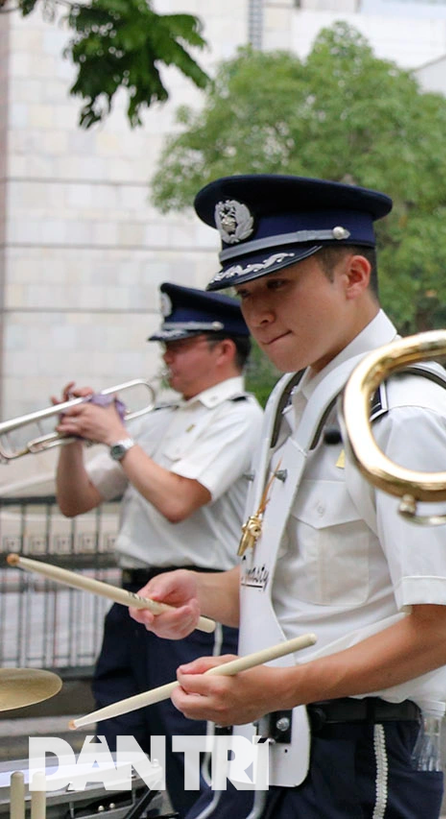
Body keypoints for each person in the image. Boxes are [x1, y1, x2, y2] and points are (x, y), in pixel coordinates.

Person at [134, 175, 446, 819]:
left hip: (362, 750)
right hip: (274, 742)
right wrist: (205, 591)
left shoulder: (406, 414)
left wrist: (279, 688)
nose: (259, 313)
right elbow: (301, 585)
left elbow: (445, 630)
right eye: (246, 293)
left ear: (353, 276)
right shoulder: (293, 396)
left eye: (279, 283)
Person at [54, 284, 265, 814]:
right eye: (165, 346)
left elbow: (178, 501)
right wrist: (73, 443)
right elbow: (75, 501)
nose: (166, 357)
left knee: (194, 750)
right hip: (132, 600)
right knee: (118, 741)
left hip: (196, 606)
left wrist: (118, 439)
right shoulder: (160, 415)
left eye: (179, 344)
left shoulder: (241, 416)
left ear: (223, 349)